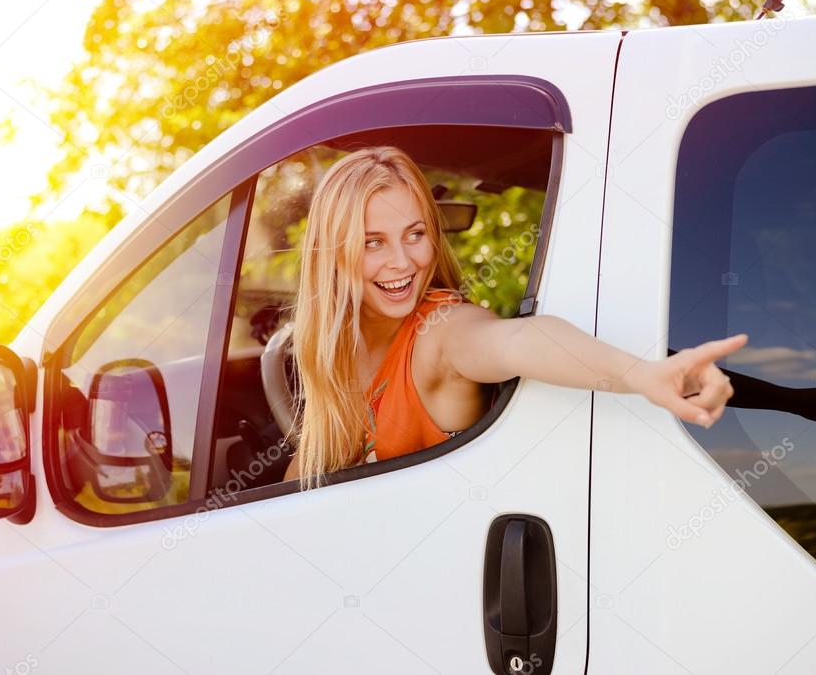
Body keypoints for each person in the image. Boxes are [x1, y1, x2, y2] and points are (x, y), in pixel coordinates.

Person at [282, 146, 745, 491]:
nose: (402, 262)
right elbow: (303, 480)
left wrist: (643, 374)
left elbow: (518, 341)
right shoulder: (335, 353)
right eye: (373, 242)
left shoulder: (439, 333)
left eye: (415, 234)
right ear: (334, 253)